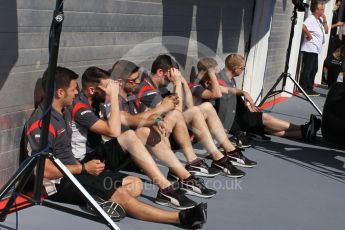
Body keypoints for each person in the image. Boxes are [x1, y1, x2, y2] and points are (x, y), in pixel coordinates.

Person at [23, 66, 207, 228]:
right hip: (57, 184)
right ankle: (181, 218)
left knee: (136, 185)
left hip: (77, 170)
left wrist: (157, 116)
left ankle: (99, 199)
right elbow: (42, 169)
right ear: (60, 93)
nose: (76, 92)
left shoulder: (64, 112)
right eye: (72, 89)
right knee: (121, 194)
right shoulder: (42, 123)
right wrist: (83, 168)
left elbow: (130, 120)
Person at [74, 66, 215, 209]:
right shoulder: (81, 107)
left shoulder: (103, 100)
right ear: (92, 90)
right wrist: (114, 97)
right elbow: (114, 131)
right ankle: (167, 188)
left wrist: (158, 120)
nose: (137, 83)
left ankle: (185, 179)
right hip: (87, 162)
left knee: (143, 132)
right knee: (130, 135)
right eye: (108, 87)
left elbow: (131, 119)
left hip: (106, 156)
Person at [135, 54, 257, 170]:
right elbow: (177, 113)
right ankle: (211, 157)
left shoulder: (162, 90)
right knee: (199, 109)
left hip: (177, 131)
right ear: (160, 72)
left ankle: (229, 152)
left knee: (206, 107)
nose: (172, 78)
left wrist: (181, 83)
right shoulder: (146, 90)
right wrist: (178, 83)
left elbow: (184, 107)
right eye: (170, 74)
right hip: (162, 137)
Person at [191, 55, 321, 142]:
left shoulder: (222, 82)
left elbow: (231, 94)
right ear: (236, 69)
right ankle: (303, 129)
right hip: (230, 120)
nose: (243, 70)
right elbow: (219, 95)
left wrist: (244, 94)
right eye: (242, 68)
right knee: (265, 118)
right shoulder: (212, 83)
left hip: (234, 116)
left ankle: (303, 132)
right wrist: (213, 76)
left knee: (267, 128)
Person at [299, 1, 329, 96]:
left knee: (314, 68)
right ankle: (304, 88)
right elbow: (303, 26)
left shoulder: (319, 20)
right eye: (322, 9)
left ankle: (309, 87)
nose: (323, 11)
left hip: (315, 49)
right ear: (316, 10)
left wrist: (324, 21)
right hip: (310, 47)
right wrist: (308, 35)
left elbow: (327, 31)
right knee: (308, 68)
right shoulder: (311, 19)